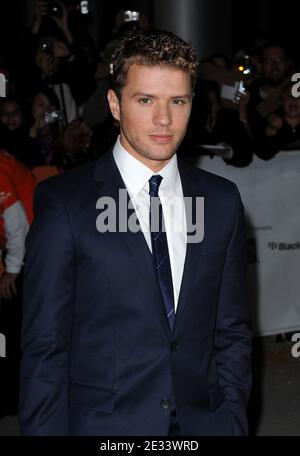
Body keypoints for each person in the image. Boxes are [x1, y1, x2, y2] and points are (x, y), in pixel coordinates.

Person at [19, 29, 252, 436]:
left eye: (177, 101)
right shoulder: (64, 204)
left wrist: (231, 420)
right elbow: (45, 349)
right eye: (145, 100)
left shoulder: (222, 201)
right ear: (114, 103)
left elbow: (230, 331)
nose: (164, 119)